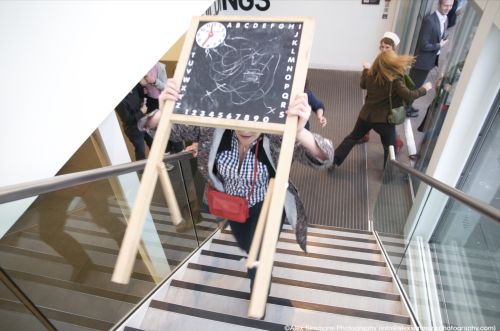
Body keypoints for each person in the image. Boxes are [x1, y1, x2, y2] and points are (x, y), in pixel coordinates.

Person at [144, 78, 334, 297]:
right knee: (245, 245)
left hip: (267, 205)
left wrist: (300, 131)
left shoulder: (279, 134)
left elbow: (325, 157)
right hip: (232, 206)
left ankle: (259, 291)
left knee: (258, 257)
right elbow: (165, 131)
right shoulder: (212, 128)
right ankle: (253, 262)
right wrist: (161, 113)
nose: (245, 129)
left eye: (253, 122)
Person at [333, 50, 432, 169]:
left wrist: (365, 69)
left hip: (366, 116)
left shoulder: (370, 75)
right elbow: (409, 95)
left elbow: (363, 84)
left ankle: (334, 161)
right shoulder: (395, 81)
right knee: (390, 148)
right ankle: (387, 175)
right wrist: (425, 89)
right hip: (384, 121)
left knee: (352, 138)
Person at [359, 32, 406, 155]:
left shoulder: (395, 63)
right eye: (382, 47)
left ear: (393, 48)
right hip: (376, 97)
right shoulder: (381, 58)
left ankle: (396, 144)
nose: (383, 50)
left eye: (387, 47)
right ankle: (365, 134)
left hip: (385, 101)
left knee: (385, 123)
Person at [406, 0, 453, 117]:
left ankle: (409, 106)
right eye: (445, 5)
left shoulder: (444, 19)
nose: (448, 8)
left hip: (429, 61)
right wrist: (440, 45)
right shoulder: (430, 21)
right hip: (422, 62)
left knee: (415, 86)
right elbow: (423, 45)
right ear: (439, 4)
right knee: (414, 87)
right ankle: (406, 109)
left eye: (451, 5)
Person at [115, 83, 152, 160]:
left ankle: (158, 163)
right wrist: (141, 112)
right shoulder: (120, 102)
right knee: (141, 150)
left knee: (153, 143)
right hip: (133, 129)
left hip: (144, 121)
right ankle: (142, 171)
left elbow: (141, 96)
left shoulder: (135, 87)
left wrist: (142, 102)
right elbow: (128, 120)